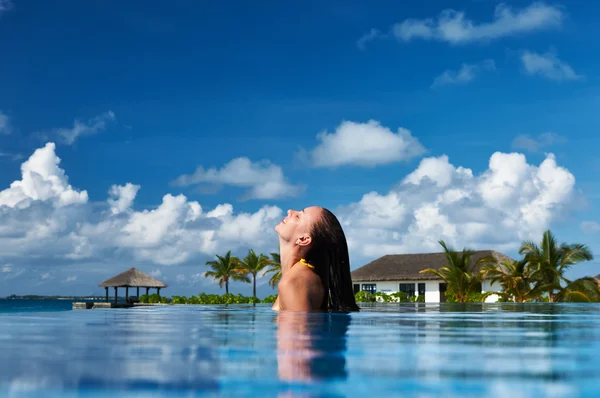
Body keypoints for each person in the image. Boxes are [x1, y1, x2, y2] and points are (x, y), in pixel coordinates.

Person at [272, 206, 360, 313]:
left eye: (298, 216)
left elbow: (300, 329)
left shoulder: (293, 282)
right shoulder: (303, 277)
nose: (290, 211)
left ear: (304, 239)